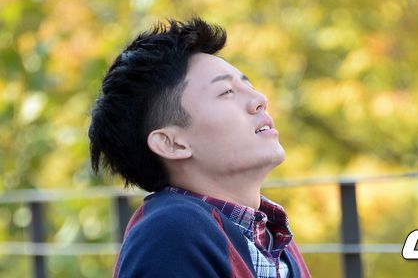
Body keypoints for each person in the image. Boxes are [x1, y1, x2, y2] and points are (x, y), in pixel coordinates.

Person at [88, 17, 311, 277]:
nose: (260, 99)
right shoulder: (170, 234)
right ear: (172, 143)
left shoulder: (272, 235)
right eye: (226, 92)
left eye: (248, 85)